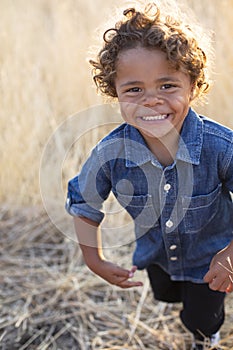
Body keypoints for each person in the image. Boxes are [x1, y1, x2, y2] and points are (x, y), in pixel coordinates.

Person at [65, 3, 233, 349]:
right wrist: (94, 259)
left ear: (193, 86)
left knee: (200, 317)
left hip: (212, 255)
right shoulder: (111, 154)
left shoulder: (220, 147)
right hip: (156, 255)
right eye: (134, 90)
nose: (152, 101)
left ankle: (207, 338)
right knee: (168, 295)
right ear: (116, 93)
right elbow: (84, 201)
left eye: (168, 85)